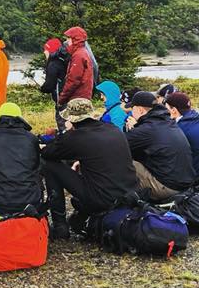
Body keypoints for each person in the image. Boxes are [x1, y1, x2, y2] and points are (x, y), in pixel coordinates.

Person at [40, 98, 139, 239]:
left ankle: (60, 224)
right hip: (130, 194)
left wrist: (67, 133)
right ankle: (81, 215)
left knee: (49, 165)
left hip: (102, 199)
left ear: (72, 120)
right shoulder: (113, 129)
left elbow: (47, 153)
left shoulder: (76, 136)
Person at [124, 90, 195, 201]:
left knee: (123, 161)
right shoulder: (167, 121)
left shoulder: (146, 129)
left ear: (140, 110)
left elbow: (119, 145)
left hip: (168, 187)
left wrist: (133, 129)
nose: (131, 113)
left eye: (132, 109)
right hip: (184, 182)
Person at [57, 26, 97, 110]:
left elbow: (73, 80)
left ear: (75, 40)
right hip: (83, 96)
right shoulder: (82, 52)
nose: (66, 42)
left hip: (78, 98)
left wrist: (61, 99)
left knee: (75, 122)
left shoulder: (78, 55)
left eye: (68, 38)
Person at [39, 37, 69, 132]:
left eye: (46, 50)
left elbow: (49, 84)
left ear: (51, 51)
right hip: (68, 95)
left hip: (61, 97)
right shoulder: (63, 60)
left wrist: (42, 89)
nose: (44, 52)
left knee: (61, 120)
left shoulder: (53, 64)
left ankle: (64, 138)